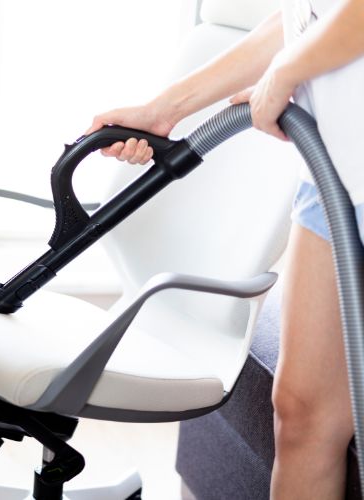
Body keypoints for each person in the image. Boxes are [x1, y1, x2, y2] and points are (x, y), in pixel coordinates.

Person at [85, 2, 364, 498]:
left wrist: (288, 72)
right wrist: (164, 109)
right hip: (336, 171)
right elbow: (305, 15)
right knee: (302, 419)